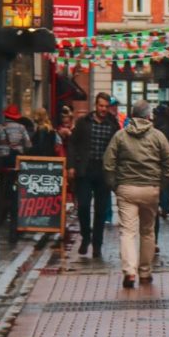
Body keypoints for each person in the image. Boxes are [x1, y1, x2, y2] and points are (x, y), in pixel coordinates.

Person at [102, 100, 169, 289]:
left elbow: (108, 163)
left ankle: (129, 271)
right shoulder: (158, 137)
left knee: (127, 231)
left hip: (126, 188)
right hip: (150, 189)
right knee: (147, 231)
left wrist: (115, 186)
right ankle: (145, 271)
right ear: (148, 116)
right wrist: (160, 185)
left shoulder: (120, 136)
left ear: (132, 116)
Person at [68, 92, 120, 257]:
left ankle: (97, 244)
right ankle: (85, 236)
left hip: (104, 170)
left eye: (106, 106)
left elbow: (118, 147)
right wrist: (71, 165)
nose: (103, 109)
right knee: (83, 205)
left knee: (101, 209)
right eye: (101, 106)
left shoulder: (113, 124)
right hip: (85, 168)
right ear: (96, 105)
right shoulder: (84, 122)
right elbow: (72, 144)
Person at [0, 104, 32, 169]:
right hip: (17, 158)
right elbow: (28, 145)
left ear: (5, 116)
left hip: (1, 159)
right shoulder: (22, 128)